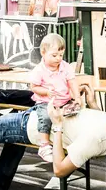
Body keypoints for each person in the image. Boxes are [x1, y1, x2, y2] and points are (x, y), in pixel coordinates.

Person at [29, 34, 81, 162]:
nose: (58, 58)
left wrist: (77, 97)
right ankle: (44, 145)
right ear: (43, 52)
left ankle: (73, 142)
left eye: (61, 55)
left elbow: (72, 82)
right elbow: (34, 87)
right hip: (46, 102)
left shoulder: (65, 66)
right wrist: (46, 92)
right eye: (54, 55)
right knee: (45, 118)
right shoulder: (39, 70)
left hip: (64, 101)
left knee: (75, 114)